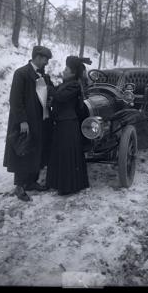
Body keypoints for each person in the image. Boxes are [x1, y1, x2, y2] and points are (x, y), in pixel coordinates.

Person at [3, 45, 54, 201]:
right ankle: (19, 186)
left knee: (36, 150)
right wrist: (22, 121)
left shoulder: (43, 76)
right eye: (45, 59)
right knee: (22, 150)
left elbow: (49, 91)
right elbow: (15, 100)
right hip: (26, 121)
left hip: (40, 120)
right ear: (37, 57)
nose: (46, 62)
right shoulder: (22, 73)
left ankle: (32, 182)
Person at [46, 56, 91, 196]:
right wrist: (47, 82)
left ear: (72, 73)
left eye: (66, 69)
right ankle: (59, 183)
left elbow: (60, 97)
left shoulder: (74, 85)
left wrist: (47, 87)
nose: (64, 71)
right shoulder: (66, 83)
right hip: (62, 122)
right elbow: (57, 96)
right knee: (61, 153)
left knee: (66, 155)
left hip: (68, 124)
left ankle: (68, 186)